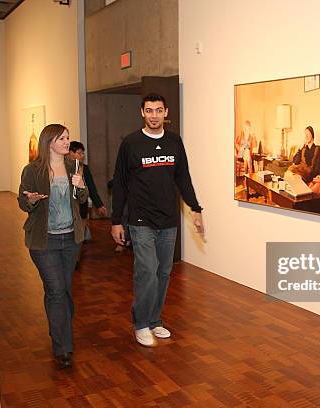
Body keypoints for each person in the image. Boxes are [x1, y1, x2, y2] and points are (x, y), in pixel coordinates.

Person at [111, 93, 205, 347]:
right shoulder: (131, 143)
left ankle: (154, 320)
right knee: (147, 272)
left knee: (164, 272)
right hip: (140, 220)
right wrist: (116, 220)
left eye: (158, 110)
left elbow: (183, 177)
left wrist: (195, 209)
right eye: (149, 110)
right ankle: (140, 323)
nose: (154, 115)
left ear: (166, 112)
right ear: (142, 112)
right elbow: (119, 183)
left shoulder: (174, 142)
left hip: (169, 219)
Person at [17, 124, 88, 369]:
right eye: (62, 138)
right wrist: (31, 200)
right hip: (44, 241)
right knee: (57, 290)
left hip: (70, 240)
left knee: (64, 290)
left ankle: (59, 330)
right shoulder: (32, 170)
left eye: (68, 137)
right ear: (49, 142)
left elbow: (82, 200)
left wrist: (80, 187)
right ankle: (63, 347)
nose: (67, 142)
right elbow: (22, 203)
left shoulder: (74, 166)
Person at [68, 141, 108, 241]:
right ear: (70, 153)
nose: (82, 156)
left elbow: (91, 187)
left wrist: (99, 205)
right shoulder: (64, 168)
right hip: (69, 207)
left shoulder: (84, 168)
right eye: (79, 153)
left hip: (82, 206)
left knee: (79, 236)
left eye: (83, 153)